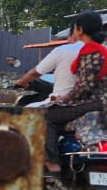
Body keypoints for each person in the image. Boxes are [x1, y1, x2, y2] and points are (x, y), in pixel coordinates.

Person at [42, 10, 107, 172]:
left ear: (79, 29)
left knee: (45, 117)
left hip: (91, 103)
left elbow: (85, 86)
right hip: (97, 102)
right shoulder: (100, 49)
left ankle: (52, 163)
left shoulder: (90, 50)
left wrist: (65, 98)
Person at [13, 25, 83, 107]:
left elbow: (35, 73)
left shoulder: (64, 50)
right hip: (85, 100)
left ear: (75, 34)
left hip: (63, 101)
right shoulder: (95, 52)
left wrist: (22, 81)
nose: (68, 41)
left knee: (25, 108)